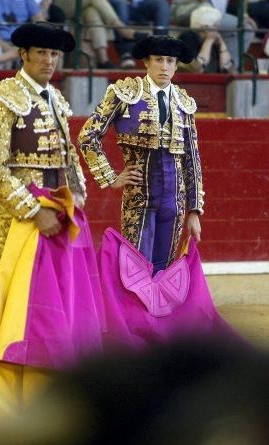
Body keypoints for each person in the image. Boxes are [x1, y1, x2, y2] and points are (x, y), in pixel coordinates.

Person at [0, 22, 102, 418]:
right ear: (23, 55)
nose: (49, 61)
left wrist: (77, 198)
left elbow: (70, 159)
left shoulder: (57, 101)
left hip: (62, 217)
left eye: (55, 54)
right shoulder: (2, 98)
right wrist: (34, 210)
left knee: (59, 306)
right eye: (42, 53)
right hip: (23, 220)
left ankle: (49, 398)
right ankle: (5, 402)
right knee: (16, 306)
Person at [78, 35, 203, 274]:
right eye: (158, 59)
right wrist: (111, 177)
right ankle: (135, 313)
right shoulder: (125, 93)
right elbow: (88, 136)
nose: (164, 66)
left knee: (163, 270)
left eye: (170, 61)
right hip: (140, 199)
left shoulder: (184, 102)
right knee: (136, 268)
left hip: (174, 203)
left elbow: (191, 158)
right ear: (146, 62)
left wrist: (194, 210)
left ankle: (156, 314)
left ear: (177, 65)